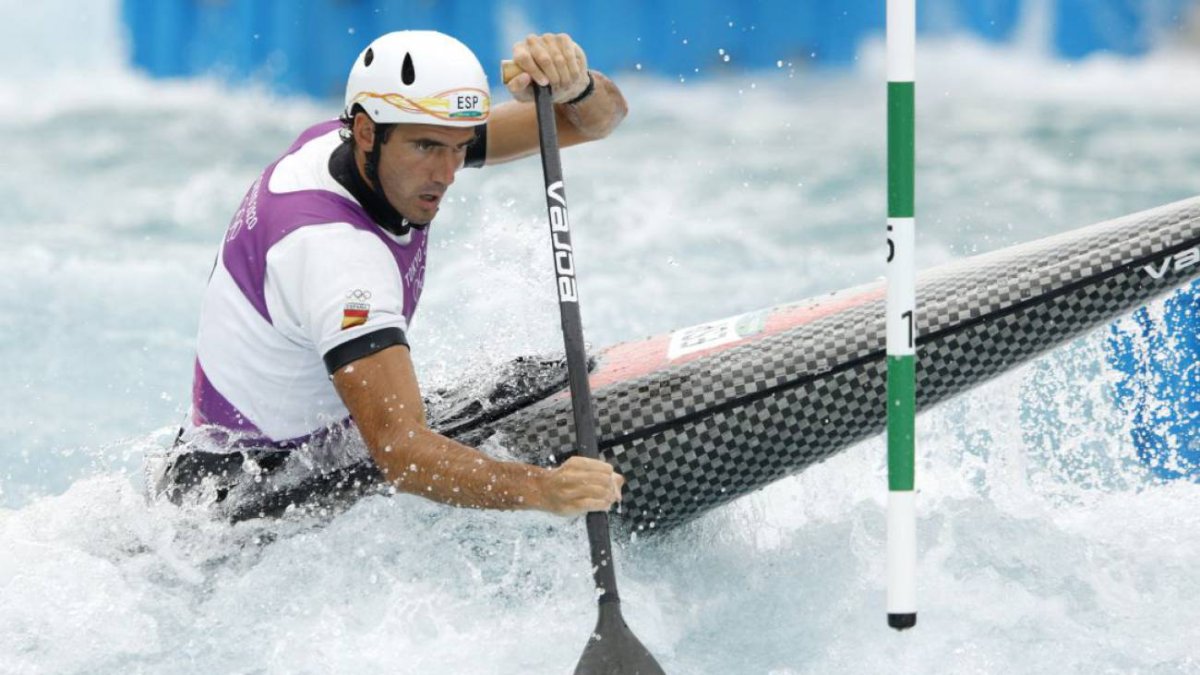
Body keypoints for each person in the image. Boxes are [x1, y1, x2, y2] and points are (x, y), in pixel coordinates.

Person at [159, 31, 629, 519]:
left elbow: (597, 122)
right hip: (242, 497)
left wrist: (576, 88)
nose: (447, 173)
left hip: (308, 444)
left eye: (460, 147)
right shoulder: (335, 254)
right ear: (365, 132)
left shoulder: (377, 141)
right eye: (428, 148)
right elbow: (402, 454)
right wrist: (544, 490)